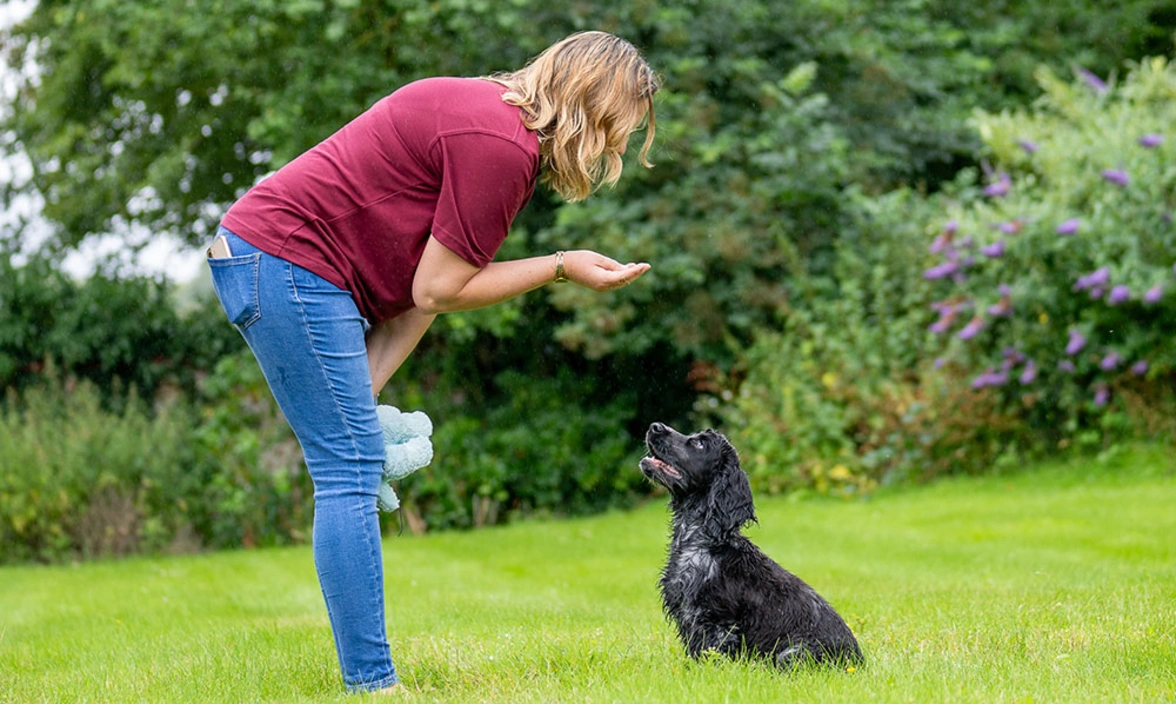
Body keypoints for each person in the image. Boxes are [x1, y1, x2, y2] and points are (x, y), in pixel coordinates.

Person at [206, 31, 660, 694]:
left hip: (276, 262)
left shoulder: (494, 126)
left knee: (351, 458)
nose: (617, 150)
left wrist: (363, 396)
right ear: (591, 104)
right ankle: (373, 684)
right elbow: (439, 289)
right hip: (284, 260)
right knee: (348, 472)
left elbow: (425, 293)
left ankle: (371, 679)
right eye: (620, 130)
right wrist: (561, 265)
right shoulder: (501, 146)